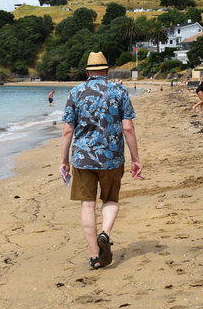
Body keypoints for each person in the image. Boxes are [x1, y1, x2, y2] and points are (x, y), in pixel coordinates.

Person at [60, 51, 142, 270]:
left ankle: (96, 257)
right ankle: (104, 233)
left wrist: (64, 161)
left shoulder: (76, 92)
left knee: (87, 204)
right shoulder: (119, 91)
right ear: (107, 71)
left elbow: (68, 131)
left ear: (87, 72)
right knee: (110, 199)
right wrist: (135, 159)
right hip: (112, 158)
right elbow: (128, 127)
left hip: (82, 158)